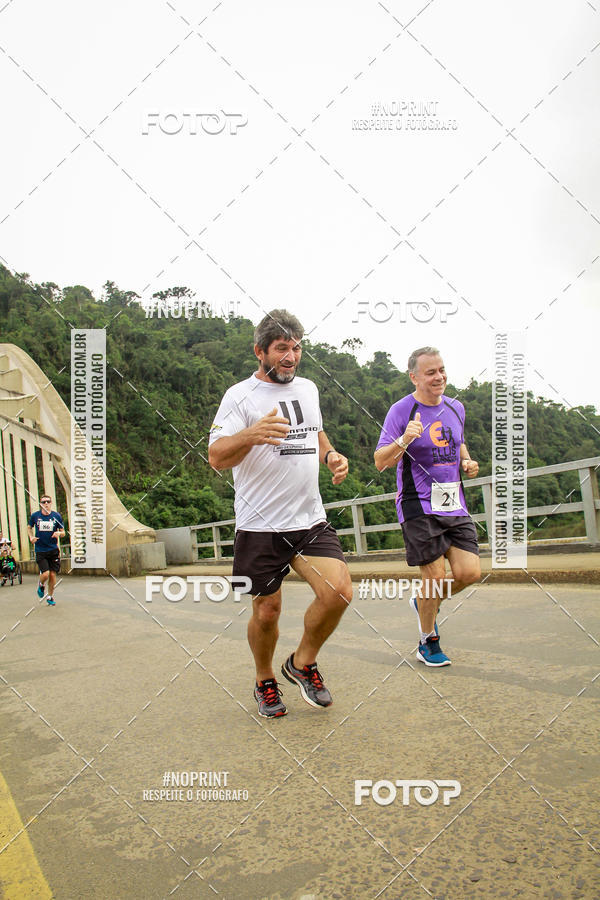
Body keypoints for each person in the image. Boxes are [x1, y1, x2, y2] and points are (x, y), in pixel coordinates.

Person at [208, 310, 352, 717]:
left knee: (338, 591)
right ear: (260, 352)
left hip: (308, 519)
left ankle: (302, 663)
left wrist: (331, 456)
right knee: (267, 610)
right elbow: (216, 456)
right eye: (281, 349)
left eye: (296, 348)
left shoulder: (307, 389)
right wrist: (252, 434)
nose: (290, 357)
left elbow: (317, 433)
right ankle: (264, 679)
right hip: (259, 525)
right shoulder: (239, 397)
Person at [374, 347, 481, 667]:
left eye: (442, 370)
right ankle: (427, 641)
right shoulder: (401, 410)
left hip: (453, 502)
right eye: (431, 372)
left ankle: (424, 603)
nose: (439, 377)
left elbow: (459, 441)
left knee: (469, 573)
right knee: (434, 575)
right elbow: (380, 461)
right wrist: (404, 439)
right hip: (417, 502)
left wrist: (466, 461)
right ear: (414, 377)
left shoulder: (456, 407)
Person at [28, 495, 65, 606]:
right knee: (45, 574)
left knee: (53, 575)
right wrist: (31, 537)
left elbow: (63, 532)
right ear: (40, 504)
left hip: (53, 550)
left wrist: (59, 533)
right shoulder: (35, 516)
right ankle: (41, 584)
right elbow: (29, 527)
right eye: (43, 502)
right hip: (40, 550)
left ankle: (50, 596)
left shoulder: (56, 516)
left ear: (51, 503)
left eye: (48, 502)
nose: (46, 504)